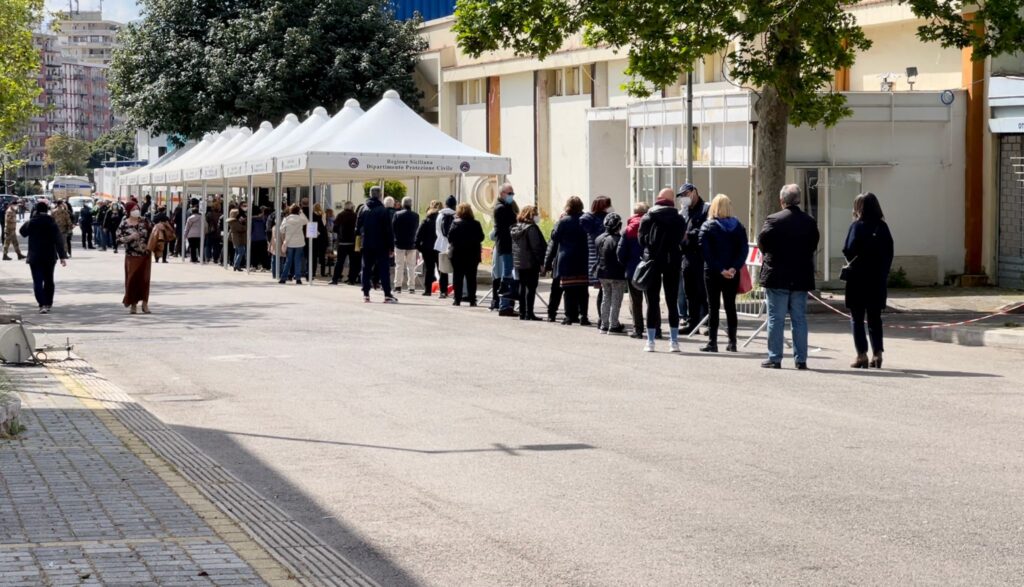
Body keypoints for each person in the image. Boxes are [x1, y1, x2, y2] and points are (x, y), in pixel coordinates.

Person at [757, 184, 820, 369]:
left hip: (777, 274)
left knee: (776, 318)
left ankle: (775, 357)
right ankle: (801, 360)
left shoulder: (774, 220)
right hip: (801, 275)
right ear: (798, 199)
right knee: (799, 319)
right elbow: (813, 244)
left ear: (782, 200)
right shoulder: (809, 221)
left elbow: (763, 243)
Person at [843, 192, 894, 369]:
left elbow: (848, 249)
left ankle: (862, 355)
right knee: (875, 319)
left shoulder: (856, 226)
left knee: (857, 318)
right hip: (877, 280)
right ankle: (878, 354)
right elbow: (890, 252)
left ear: (859, 208)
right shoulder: (883, 227)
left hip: (857, 279)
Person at [698, 194, 749, 353]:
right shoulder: (738, 226)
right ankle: (732, 342)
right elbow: (744, 249)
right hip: (733, 273)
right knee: (730, 306)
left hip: (713, 272)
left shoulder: (707, 226)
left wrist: (720, 269)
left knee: (713, 306)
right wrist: (734, 267)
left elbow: (705, 251)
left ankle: (712, 342)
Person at [639, 188, 686, 352]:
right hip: (672, 262)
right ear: (672, 200)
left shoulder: (648, 217)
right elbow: (681, 239)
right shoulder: (679, 219)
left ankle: (650, 342)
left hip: (653, 262)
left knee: (652, 302)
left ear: (658, 199)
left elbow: (641, 239)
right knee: (672, 302)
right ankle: (674, 342)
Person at [545, 196, 591, 326]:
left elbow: (554, 236)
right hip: (582, 257)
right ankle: (583, 316)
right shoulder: (585, 220)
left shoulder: (563, 221)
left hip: (567, 258)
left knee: (568, 289)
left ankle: (569, 316)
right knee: (583, 289)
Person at [19, 201, 67, 313]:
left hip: (35, 256)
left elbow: (22, 232)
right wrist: (62, 256)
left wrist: (32, 218)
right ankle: (48, 303)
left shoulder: (32, 222)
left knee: (37, 281)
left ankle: (41, 304)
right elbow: (59, 240)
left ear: (36, 210)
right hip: (49, 256)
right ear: (47, 210)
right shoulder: (51, 222)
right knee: (49, 280)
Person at [357, 187, 397, 303]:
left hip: (366, 243)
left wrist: (362, 237)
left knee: (366, 268)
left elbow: (357, 228)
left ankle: (366, 294)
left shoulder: (363, 209)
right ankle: (387, 294)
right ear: (380, 196)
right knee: (384, 269)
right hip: (381, 244)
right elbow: (388, 230)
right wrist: (391, 247)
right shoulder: (383, 210)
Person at [678, 183, 709, 334]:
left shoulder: (706, 209)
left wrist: (688, 234)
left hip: (701, 255)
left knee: (703, 291)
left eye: (686, 194)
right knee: (689, 291)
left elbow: (706, 229)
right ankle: (693, 323)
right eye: (682, 196)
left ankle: (707, 323)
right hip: (687, 256)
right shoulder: (684, 211)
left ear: (694, 192)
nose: (684, 198)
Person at [618, 201, 650, 339]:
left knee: (635, 301)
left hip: (633, 269)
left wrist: (625, 263)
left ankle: (638, 330)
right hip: (650, 268)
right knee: (651, 300)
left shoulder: (628, 229)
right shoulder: (652, 226)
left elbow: (620, 251)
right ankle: (656, 328)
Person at [510, 205, 546, 320]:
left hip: (519, 262)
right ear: (531, 215)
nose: (537, 216)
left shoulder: (516, 228)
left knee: (522, 286)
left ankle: (522, 312)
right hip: (531, 262)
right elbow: (536, 247)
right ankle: (529, 313)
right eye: (535, 214)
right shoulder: (531, 228)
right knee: (531, 288)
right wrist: (541, 262)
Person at [117, 202, 153, 314]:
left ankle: (145, 304)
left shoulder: (145, 221)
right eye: (133, 209)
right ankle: (133, 304)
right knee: (132, 281)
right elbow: (118, 239)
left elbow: (153, 234)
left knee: (144, 281)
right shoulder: (124, 223)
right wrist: (130, 237)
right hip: (131, 256)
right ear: (128, 211)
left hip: (145, 256)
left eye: (137, 208)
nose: (136, 210)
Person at [581, 196, 612, 326]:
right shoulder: (600, 220)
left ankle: (600, 317)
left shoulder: (588, 218)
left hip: (593, 255)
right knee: (603, 289)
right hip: (599, 255)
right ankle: (603, 318)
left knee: (602, 289)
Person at [447, 202, 485, 306]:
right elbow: (481, 237)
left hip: (457, 254)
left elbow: (450, 238)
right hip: (472, 254)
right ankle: (472, 299)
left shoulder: (455, 223)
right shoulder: (476, 223)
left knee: (457, 277)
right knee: (471, 278)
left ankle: (457, 299)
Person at [595, 212, 627, 334]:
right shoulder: (619, 240)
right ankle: (614, 325)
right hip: (617, 274)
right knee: (616, 299)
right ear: (619, 226)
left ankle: (604, 324)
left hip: (602, 273)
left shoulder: (599, 239)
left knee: (606, 297)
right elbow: (623, 256)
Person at [491, 183, 518, 316]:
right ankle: (504, 305)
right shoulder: (501, 208)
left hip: (509, 245)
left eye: (512, 193)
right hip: (506, 245)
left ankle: (508, 303)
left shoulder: (507, 207)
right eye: (509, 193)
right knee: (507, 274)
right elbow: (510, 225)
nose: (512, 196)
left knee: (509, 274)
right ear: (502, 194)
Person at [392, 196, 419, 293]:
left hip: (399, 243)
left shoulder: (397, 214)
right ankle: (411, 287)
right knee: (411, 266)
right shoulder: (416, 215)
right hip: (411, 244)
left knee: (399, 265)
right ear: (411, 204)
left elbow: (393, 228)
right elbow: (416, 229)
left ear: (403, 204)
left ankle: (398, 286)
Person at [416, 200, 442, 296]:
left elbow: (418, 236)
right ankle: (443, 291)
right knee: (441, 269)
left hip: (427, 249)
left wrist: (420, 248)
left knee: (429, 269)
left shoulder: (425, 221)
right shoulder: (441, 221)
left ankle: (428, 290)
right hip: (439, 248)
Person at [434, 195, 457, 299]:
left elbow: (438, 231)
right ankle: (457, 291)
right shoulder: (456, 216)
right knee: (456, 270)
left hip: (440, 245)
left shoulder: (440, 216)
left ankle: (443, 292)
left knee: (442, 270)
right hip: (453, 245)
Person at [279, 204, 308, 284]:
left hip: (289, 242)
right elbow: (306, 221)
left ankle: (283, 278)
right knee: (297, 261)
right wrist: (301, 212)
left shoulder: (286, 219)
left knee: (288, 261)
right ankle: (298, 278)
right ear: (298, 211)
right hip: (299, 242)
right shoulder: (300, 219)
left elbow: (281, 230)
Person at [331, 201, 358, 285]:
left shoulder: (340, 215)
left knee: (339, 262)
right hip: (352, 242)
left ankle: (335, 279)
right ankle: (351, 279)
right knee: (353, 262)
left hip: (342, 242)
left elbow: (334, 228)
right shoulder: (355, 216)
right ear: (352, 207)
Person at [251, 206, 268, 271]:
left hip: (254, 238)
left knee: (254, 253)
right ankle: (264, 266)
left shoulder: (252, 219)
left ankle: (254, 266)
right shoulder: (264, 218)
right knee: (263, 253)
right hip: (263, 238)